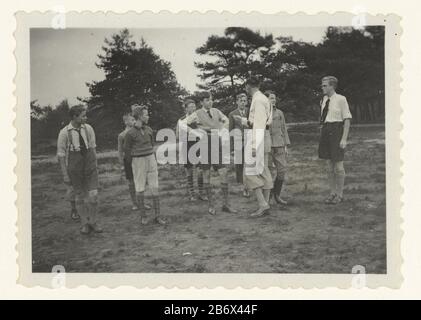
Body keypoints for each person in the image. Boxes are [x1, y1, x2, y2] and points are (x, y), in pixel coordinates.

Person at [184, 91, 237, 215]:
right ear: (201, 102)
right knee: (206, 174)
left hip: (216, 144)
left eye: (211, 99)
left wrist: (221, 129)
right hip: (204, 146)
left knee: (223, 172)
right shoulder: (197, 114)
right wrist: (198, 131)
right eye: (207, 100)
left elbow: (226, 120)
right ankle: (211, 205)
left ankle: (226, 204)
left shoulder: (216, 111)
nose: (210, 102)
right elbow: (184, 125)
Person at [57, 105, 102, 235]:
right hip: (75, 167)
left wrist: (95, 165)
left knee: (93, 196)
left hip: (89, 165)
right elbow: (61, 155)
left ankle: (93, 221)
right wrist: (65, 175)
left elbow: (93, 148)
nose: (85, 118)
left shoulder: (88, 129)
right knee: (80, 196)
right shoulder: (64, 132)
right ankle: (84, 223)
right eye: (83, 116)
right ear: (74, 117)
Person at [234, 77, 273, 217]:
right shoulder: (263, 99)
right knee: (263, 170)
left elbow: (259, 125)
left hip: (258, 138)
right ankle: (266, 204)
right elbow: (258, 121)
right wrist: (244, 120)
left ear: (248, 86)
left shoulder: (258, 100)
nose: (245, 89)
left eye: (246, 86)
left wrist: (255, 145)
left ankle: (263, 204)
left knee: (249, 172)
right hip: (263, 136)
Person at [124, 105, 166, 225]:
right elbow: (127, 152)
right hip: (138, 161)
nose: (148, 116)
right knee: (140, 187)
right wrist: (135, 161)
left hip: (151, 159)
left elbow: (151, 145)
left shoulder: (149, 129)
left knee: (154, 186)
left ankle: (158, 216)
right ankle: (143, 216)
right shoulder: (130, 133)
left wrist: (149, 156)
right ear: (140, 117)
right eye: (146, 115)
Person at [318, 76, 352, 204]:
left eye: (325, 85)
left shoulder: (341, 99)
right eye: (322, 85)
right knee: (329, 166)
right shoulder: (323, 100)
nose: (322, 88)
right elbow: (323, 117)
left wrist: (344, 138)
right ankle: (332, 193)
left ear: (332, 86)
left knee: (338, 166)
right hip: (326, 130)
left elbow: (347, 120)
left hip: (337, 131)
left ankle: (340, 194)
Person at [118, 112, 152, 211]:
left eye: (134, 120)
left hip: (139, 159)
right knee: (131, 182)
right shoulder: (122, 135)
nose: (133, 122)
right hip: (128, 161)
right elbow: (120, 150)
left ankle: (142, 202)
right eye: (131, 120)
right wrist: (121, 164)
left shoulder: (139, 131)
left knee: (141, 181)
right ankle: (135, 203)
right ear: (125, 122)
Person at [176, 99, 206, 201]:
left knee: (200, 170)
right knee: (189, 171)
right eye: (191, 106)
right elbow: (178, 135)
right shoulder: (181, 120)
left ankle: (201, 193)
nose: (193, 108)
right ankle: (192, 194)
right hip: (186, 145)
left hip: (198, 145)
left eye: (194, 106)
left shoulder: (198, 118)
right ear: (185, 108)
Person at [265, 90, 291, 205]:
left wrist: (286, 145)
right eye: (271, 98)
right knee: (268, 172)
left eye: (274, 98)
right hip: (267, 145)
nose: (273, 100)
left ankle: (277, 194)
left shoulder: (280, 113)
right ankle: (268, 197)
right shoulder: (262, 113)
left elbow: (284, 129)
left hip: (279, 144)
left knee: (282, 170)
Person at [228, 92, 250, 198]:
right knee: (239, 165)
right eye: (241, 101)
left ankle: (247, 186)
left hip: (248, 141)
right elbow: (230, 131)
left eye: (245, 101)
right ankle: (242, 186)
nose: (243, 103)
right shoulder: (232, 114)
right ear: (237, 102)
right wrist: (231, 147)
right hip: (238, 142)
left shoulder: (250, 112)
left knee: (249, 164)